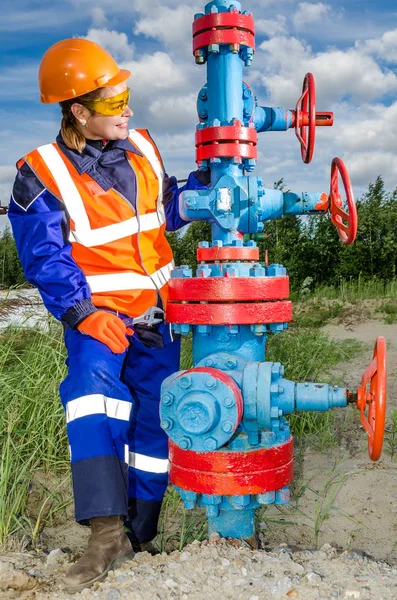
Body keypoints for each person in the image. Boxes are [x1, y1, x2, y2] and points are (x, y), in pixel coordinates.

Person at [8, 38, 208, 593]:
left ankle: (139, 535)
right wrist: (79, 312)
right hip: (100, 320)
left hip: (158, 317)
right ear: (78, 110)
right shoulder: (40, 172)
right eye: (116, 101)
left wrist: (204, 189)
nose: (128, 109)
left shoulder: (141, 145)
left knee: (154, 419)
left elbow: (162, 212)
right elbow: (44, 255)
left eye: (127, 96)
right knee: (91, 400)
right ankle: (103, 534)